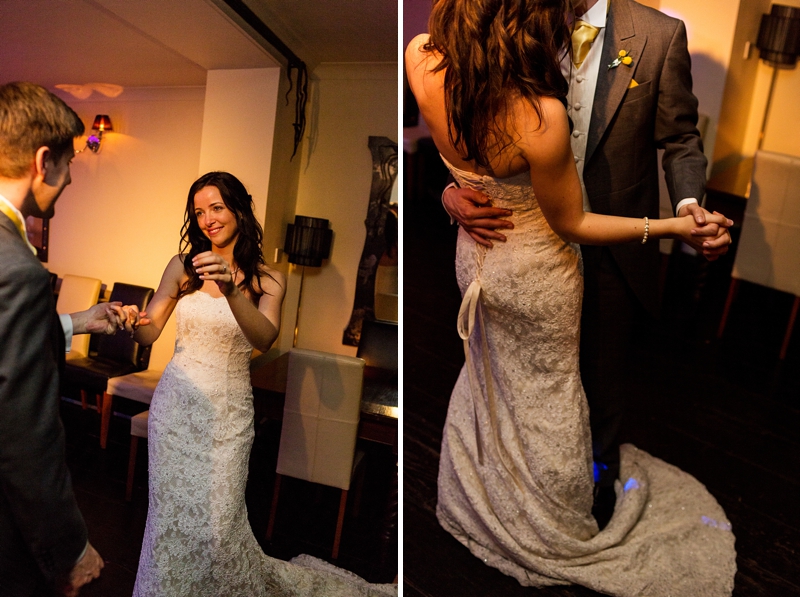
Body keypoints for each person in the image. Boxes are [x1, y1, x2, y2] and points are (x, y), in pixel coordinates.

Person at [406, 0, 736, 594]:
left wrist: (687, 206)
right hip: (527, 246)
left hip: (604, 250)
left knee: (599, 389)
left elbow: (681, 138)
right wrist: (451, 194)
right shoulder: (525, 15)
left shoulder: (659, 36)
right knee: (518, 386)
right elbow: (467, 136)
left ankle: (592, 495)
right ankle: (530, 506)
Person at [123, 172, 395, 596]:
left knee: (219, 525)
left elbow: (265, 338)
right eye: (199, 212)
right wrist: (133, 322)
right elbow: (150, 331)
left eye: (216, 207)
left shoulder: (269, 279)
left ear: (239, 208)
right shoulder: (183, 266)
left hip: (227, 417)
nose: (208, 219)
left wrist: (232, 289)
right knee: (168, 517)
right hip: (176, 411)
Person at [0, 81, 138, 596]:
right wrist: (69, 546)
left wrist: (78, 322)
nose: (72, 179)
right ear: (43, 161)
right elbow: (24, 433)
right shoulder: (18, 269)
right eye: (69, 164)